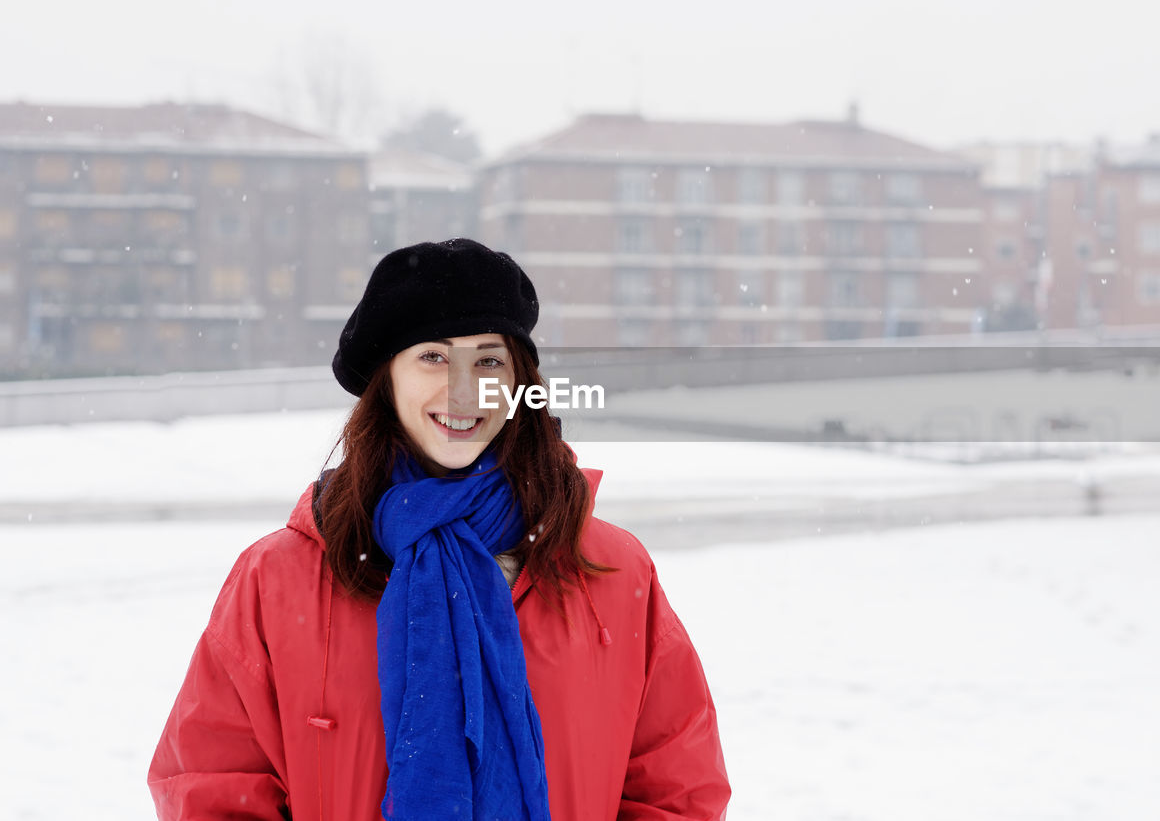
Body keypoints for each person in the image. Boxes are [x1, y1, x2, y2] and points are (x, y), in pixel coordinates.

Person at [147, 238, 731, 820]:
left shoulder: (612, 571)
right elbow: (213, 790)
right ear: (388, 380)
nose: (462, 388)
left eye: (488, 359)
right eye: (432, 357)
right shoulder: (280, 579)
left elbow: (675, 787)